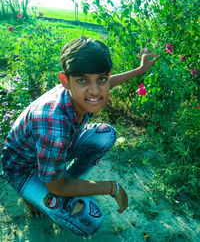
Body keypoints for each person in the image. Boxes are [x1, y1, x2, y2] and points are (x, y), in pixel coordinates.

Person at [1, 37, 159, 237]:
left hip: (51, 153)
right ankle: (32, 193)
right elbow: (56, 186)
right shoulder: (53, 125)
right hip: (23, 169)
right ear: (65, 80)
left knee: (106, 134)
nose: (95, 91)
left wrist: (140, 70)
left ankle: (67, 181)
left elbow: (108, 82)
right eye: (83, 80)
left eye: (101, 78)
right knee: (88, 219)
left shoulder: (80, 92)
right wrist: (113, 187)